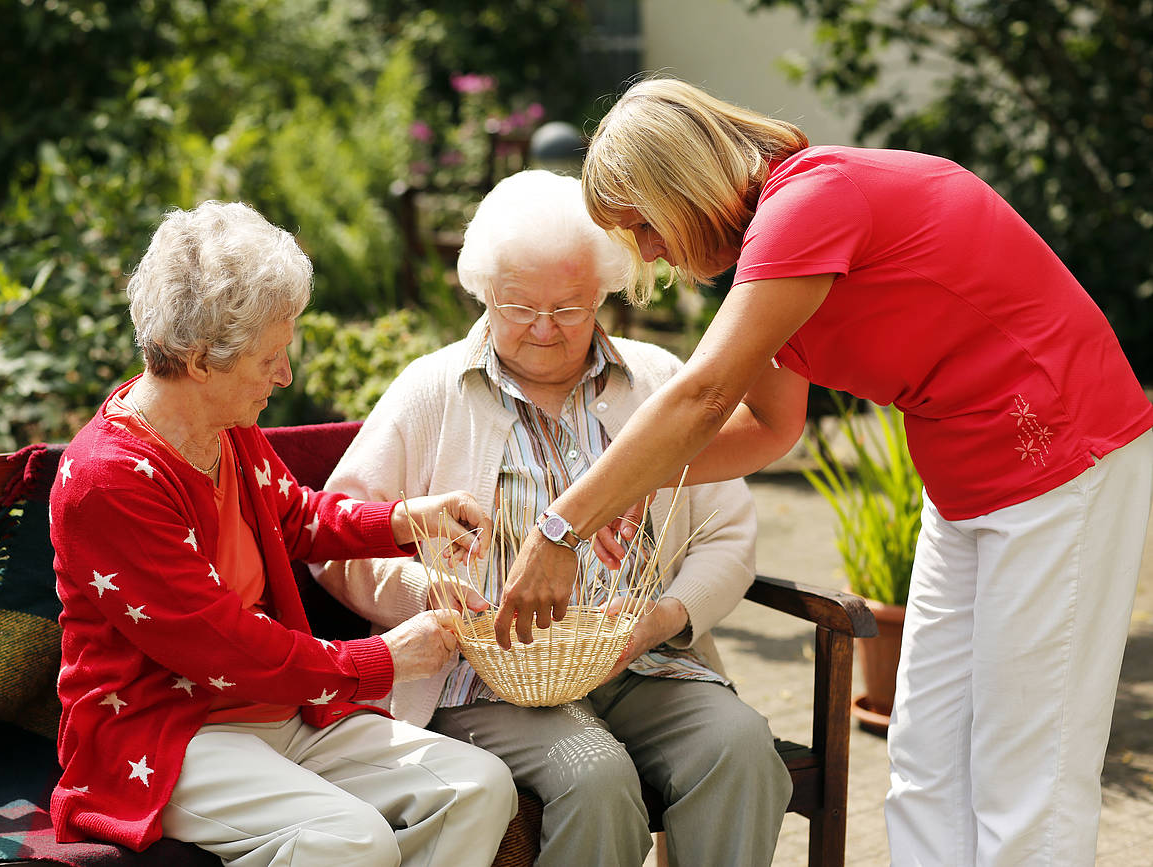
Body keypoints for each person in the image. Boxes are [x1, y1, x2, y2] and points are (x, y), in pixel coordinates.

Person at [494, 78, 1153, 866]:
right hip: (967, 477)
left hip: (1060, 459)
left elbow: (702, 397)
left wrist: (563, 525)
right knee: (924, 751)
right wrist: (634, 491)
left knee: (1027, 767)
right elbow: (769, 426)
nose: (647, 251)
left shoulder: (811, 201)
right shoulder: (767, 252)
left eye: (642, 225)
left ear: (680, 185)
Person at [315, 170, 792, 866]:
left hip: (641, 660)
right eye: (518, 306)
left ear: (601, 289)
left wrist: (664, 619)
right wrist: (427, 594)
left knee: (741, 746)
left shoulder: (659, 380)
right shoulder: (430, 392)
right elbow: (337, 538)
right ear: (484, 291)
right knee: (593, 775)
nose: (543, 328)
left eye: (568, 308)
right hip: (482, 677)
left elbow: (724, 532)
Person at [48, 200, 516, 867]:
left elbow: (290, 515)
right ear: (200, 359)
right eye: (270, 357)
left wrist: (407, 519)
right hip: (167, 734)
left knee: (478, 787)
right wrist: (382, 659)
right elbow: (221, 645)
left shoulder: (225, 424)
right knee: (350, 838)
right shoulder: (109, 480)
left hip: (279, 707)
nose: (285, 375)